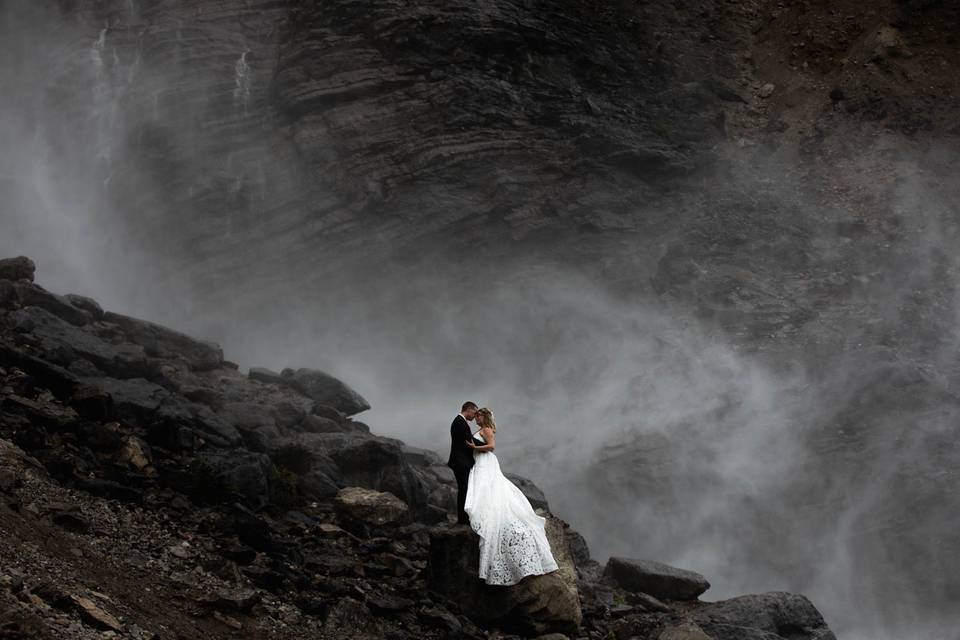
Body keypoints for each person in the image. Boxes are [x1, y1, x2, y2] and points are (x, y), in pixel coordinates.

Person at [463, 407, 559, 585]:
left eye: (478, 415)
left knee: (490, 488)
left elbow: (491, 447)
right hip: (479, 462)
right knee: (484, 488)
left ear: (485, 417)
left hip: (486, 462)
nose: (476, 417)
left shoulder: (487, 430)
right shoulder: (480, 430)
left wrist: (473, 446)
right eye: (475, 415)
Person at [447, 401, 483, 524]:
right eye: (474, 412)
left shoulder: (460, 421)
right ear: (468, 409)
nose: (475, 415)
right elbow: (470, 440)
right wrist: (486, 446)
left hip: (460, 461)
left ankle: (463, 518)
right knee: (464, 490)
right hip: (460, 462)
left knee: (464, 489)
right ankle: (463, 519)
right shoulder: (459, 422)